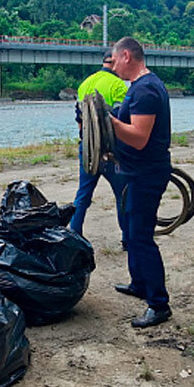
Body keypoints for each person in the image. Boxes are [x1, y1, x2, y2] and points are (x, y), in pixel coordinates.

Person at [108, 37, 173, 328]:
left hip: (147, 174)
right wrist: (107, 115)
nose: (112, 66)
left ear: (126, 56)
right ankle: (139, 283)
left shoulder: (146, 89)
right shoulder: (139, 87)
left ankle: (159, 304)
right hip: (136, 172)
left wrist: (106, 121)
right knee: (132, 231)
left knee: (141, 237)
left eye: (113, 60)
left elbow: (138, 137)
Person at [70, 51, 129, 245]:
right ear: (115, 63)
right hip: (112, 151)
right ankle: (128, 239)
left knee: (83, 195)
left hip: (88, 149)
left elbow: (80, 120)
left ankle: (74, 236)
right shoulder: (118, 85)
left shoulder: (85, 83)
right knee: (123, 195)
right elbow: (121, 119)